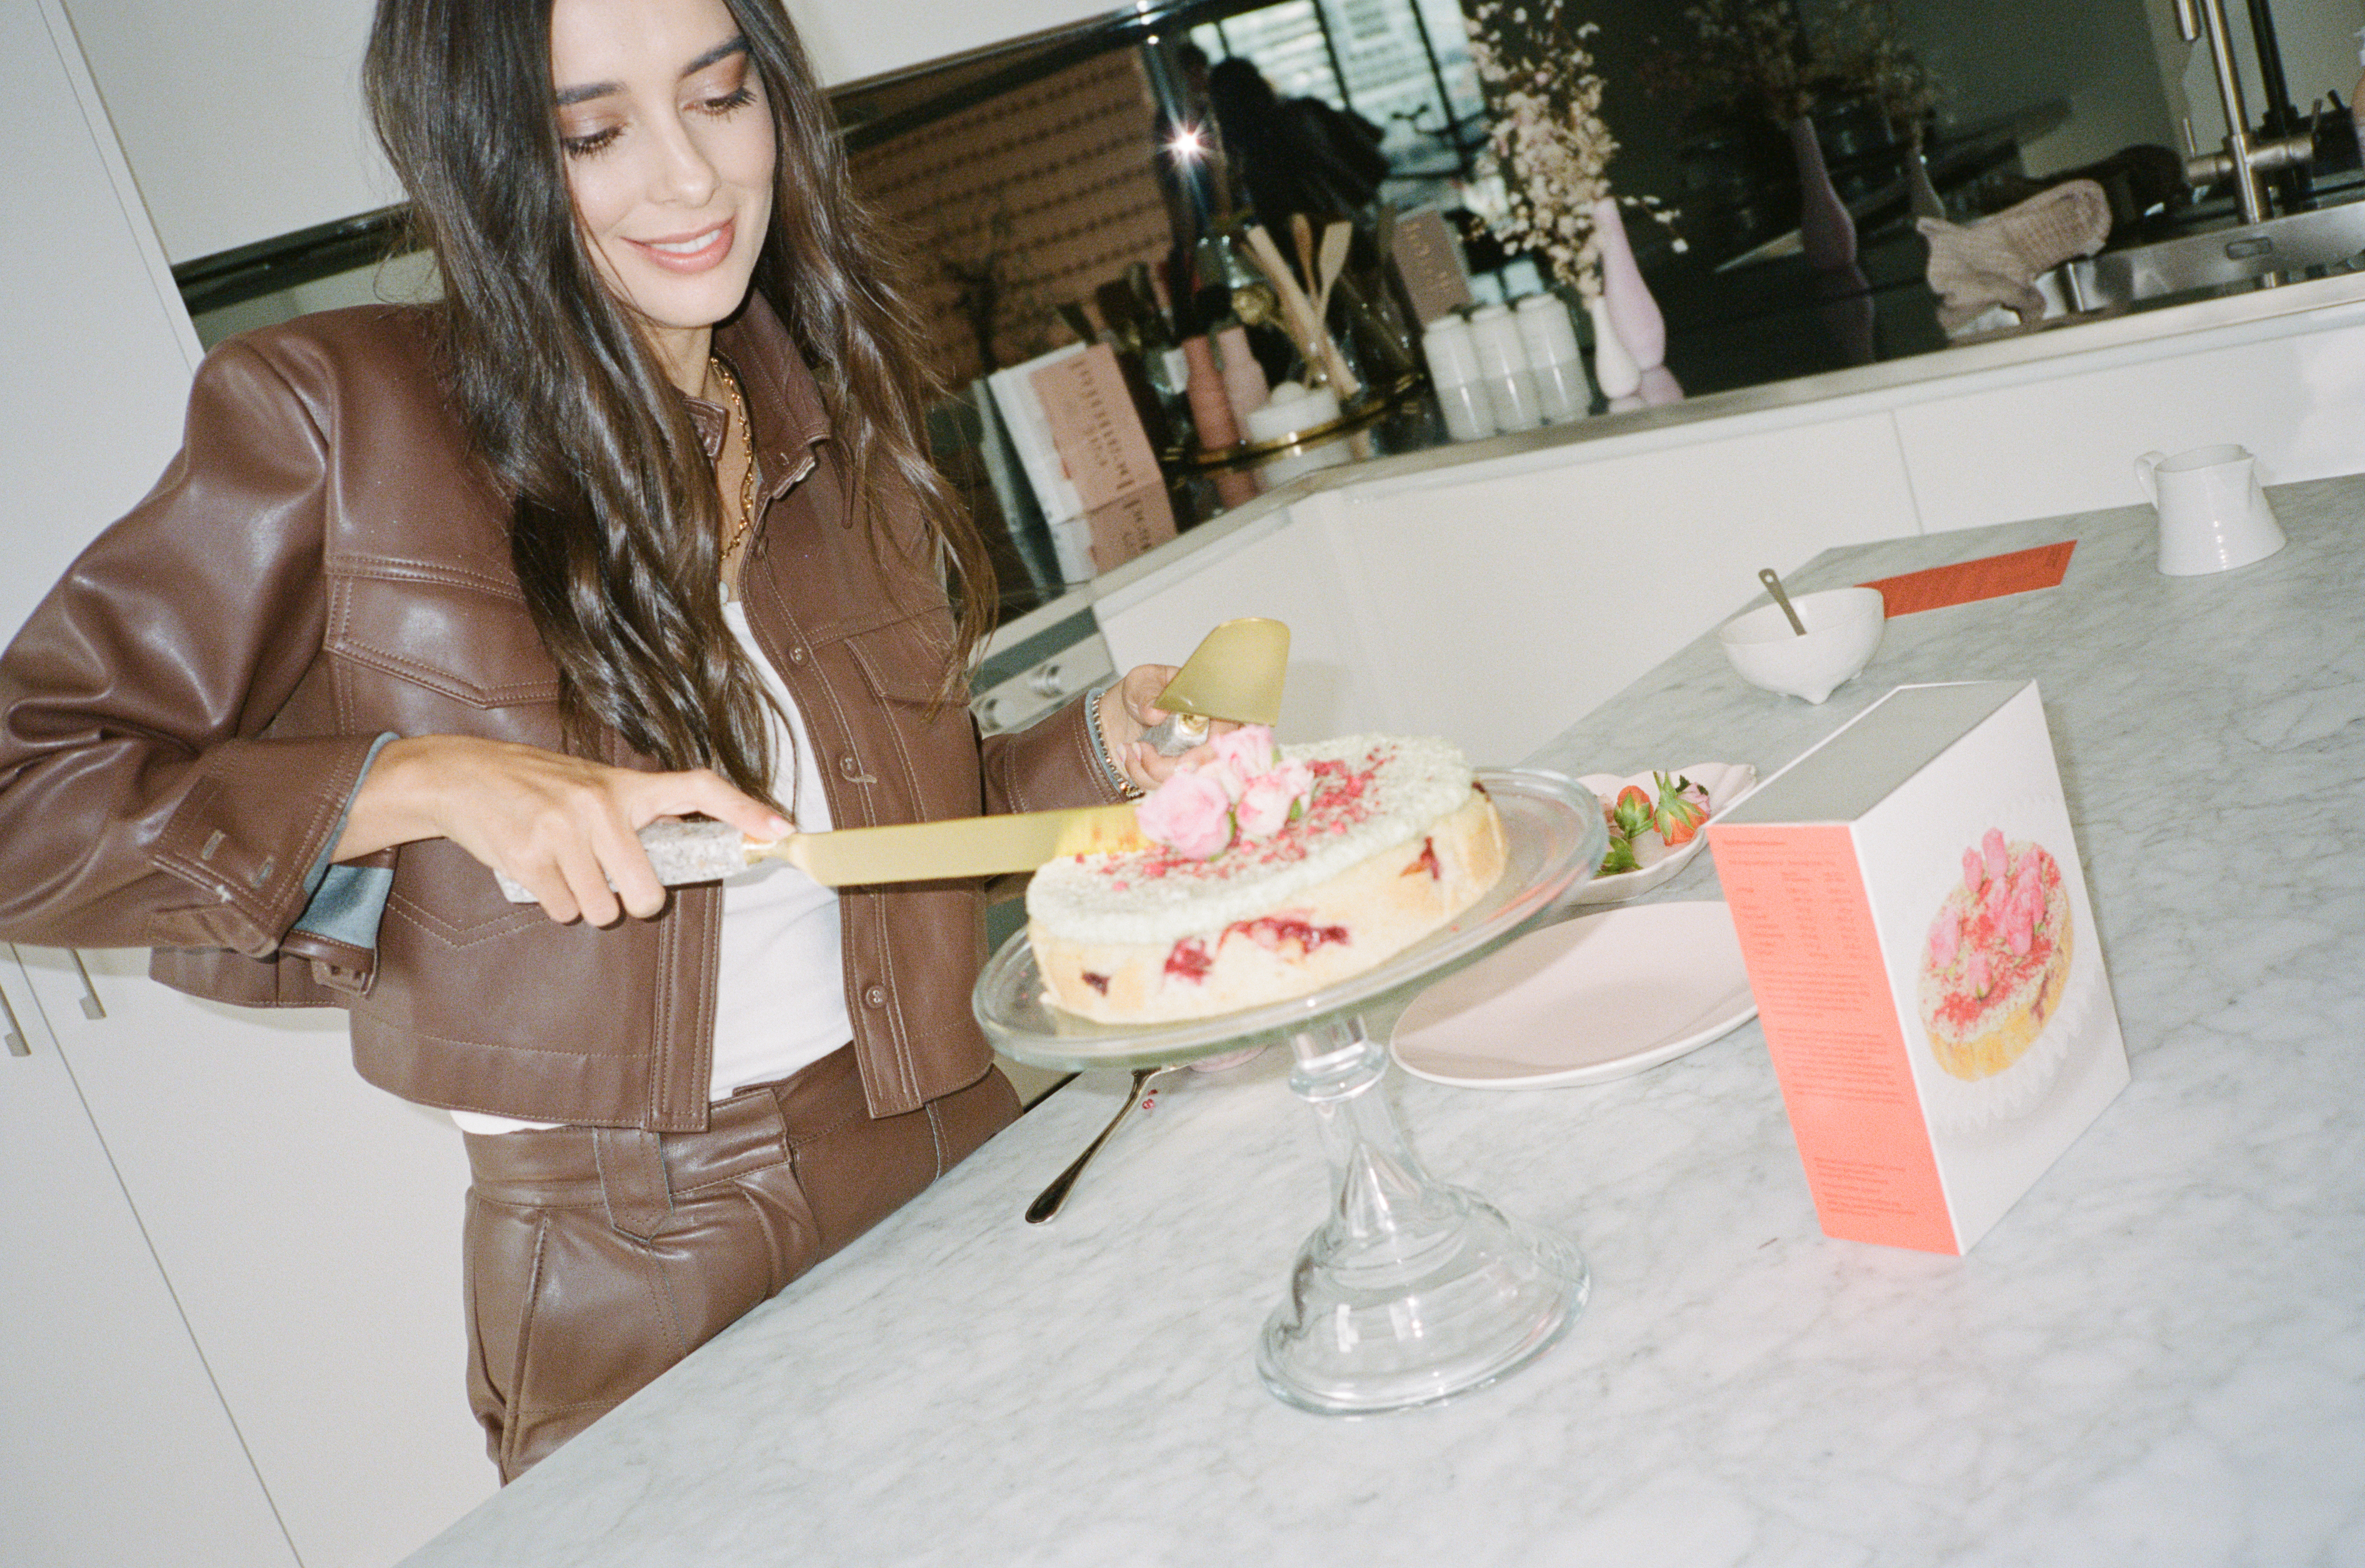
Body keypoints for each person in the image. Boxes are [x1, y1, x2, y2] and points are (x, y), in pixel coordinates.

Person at [0, 0, 1206, 1481]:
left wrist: (1103, 746)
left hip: (963, 1131)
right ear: (490, 154)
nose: (693, 181)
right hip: (638, 1253)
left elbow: (863, 849)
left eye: (719, 99)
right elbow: (24, 797)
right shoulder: (339, 418)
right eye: (595, 133)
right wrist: (418, 778)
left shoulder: (820, 416)